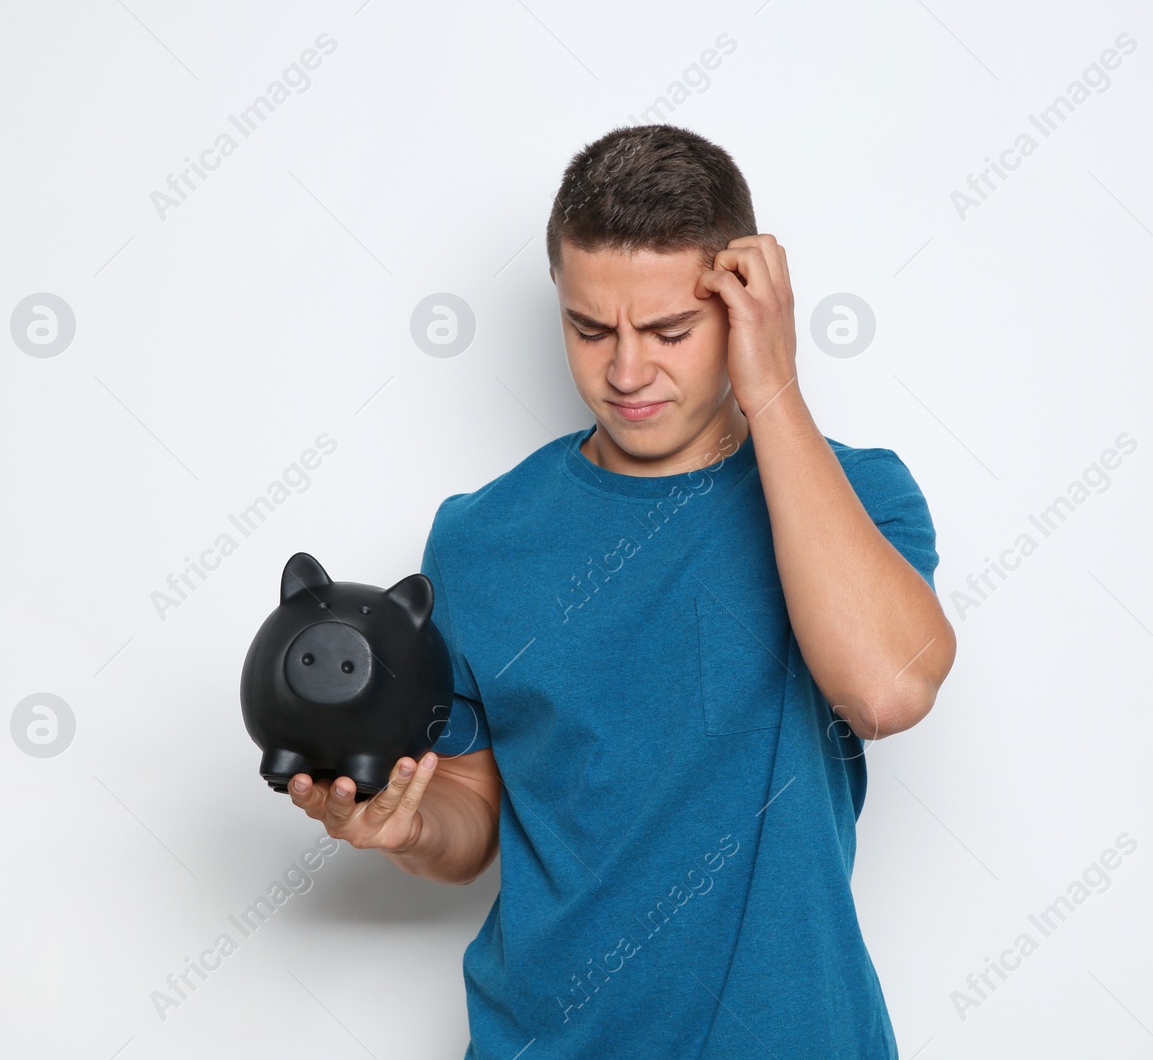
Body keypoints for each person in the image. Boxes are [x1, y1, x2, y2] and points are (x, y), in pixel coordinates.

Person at [288, 123, 956, 1058]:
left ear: (742, 306)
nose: (627, 371)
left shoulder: (858, 498)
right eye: (589, 327)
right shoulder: (479, 538)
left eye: (671, 329)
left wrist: (774, 390)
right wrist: (403, 825)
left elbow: (887, 688)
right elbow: (474, 818)